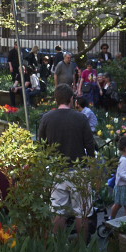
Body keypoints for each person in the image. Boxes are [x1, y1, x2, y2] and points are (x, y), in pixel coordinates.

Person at [37, 85, 96, 240]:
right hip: (79, 170)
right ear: (71, 99)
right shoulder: (81, 118)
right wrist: (92, 165)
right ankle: (83, 248)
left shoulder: (47, 118)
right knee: (81, 211)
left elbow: (41, 145)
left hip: (56, 170)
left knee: (58, 211)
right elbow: (90, 145)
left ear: (56, 99)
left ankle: (58, 247)